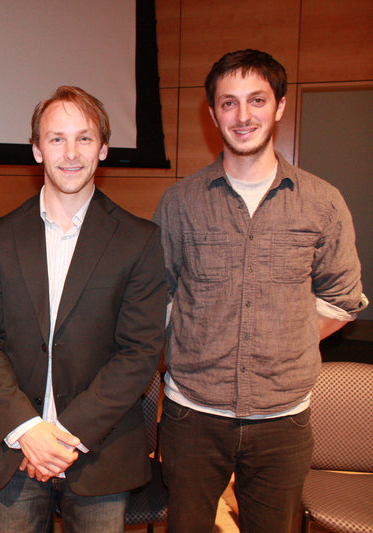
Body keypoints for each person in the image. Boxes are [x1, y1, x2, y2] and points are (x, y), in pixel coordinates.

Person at [153, 49, 368, 533]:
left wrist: (283, 341)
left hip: (283, 419)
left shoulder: (322, 201)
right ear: (213, 115)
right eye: (229, 103)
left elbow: (341, 298)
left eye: (256, 100)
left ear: (280, 107)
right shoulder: (180, 202)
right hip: (192, 414)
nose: (243, 115)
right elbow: (157, 300)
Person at [0, 86, 166, 533]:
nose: (71, 152)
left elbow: (139, 352)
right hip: (13, 448)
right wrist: (28, 430)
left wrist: (62, 437)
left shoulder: (139, 240)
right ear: (37, 149)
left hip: (100, 450)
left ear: (103, 148)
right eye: (56, 138)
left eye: (84, 137)